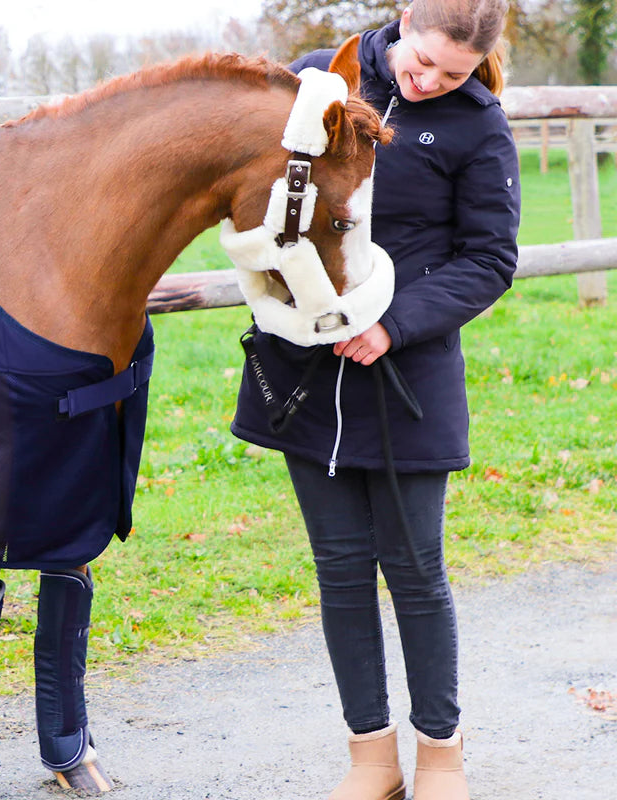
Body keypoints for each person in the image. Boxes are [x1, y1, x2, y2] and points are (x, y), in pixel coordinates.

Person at [231, 1, 520, 799]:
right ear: (402, 24)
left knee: (417, 571)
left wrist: (395, 326)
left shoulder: (479, 126)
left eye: (451, 74)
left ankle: (440, 759)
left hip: (407, 376)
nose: (427, 81)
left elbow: (491, 259)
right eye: (421, 62)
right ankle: (371, 760)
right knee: (341, 572)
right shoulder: (322, 79)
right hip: (305, 368)